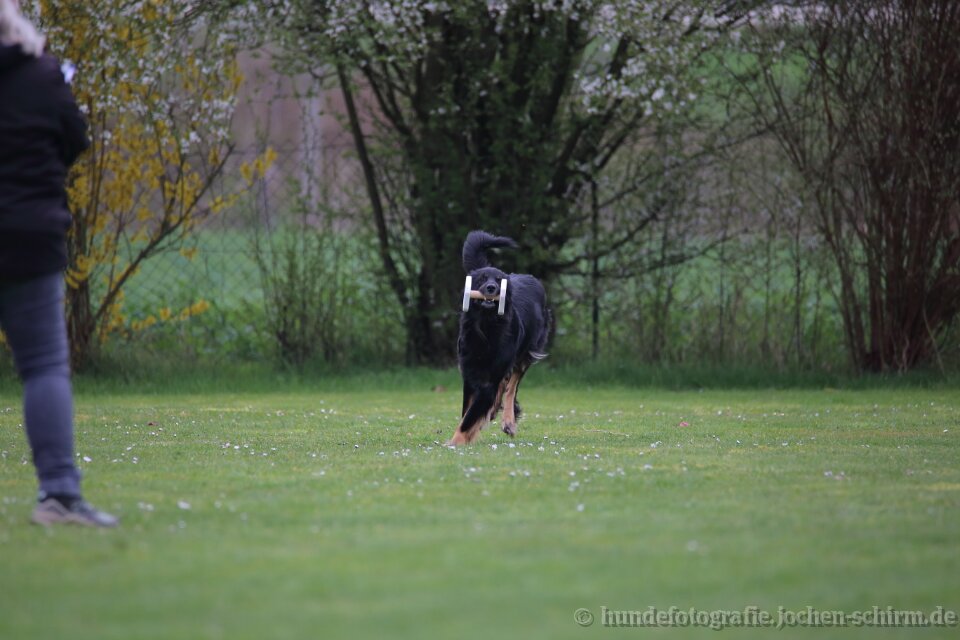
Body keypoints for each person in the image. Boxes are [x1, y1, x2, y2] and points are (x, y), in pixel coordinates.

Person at [0, 0, 117, 527]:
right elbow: (76, 139)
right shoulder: (43, 75)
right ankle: (60, 495)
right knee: (44, 366)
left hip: (30, 228)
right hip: (30, 233)